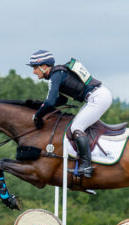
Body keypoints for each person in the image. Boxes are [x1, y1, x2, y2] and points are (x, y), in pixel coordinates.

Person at [28, 50, 113, 178]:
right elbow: (62, 100)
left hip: (97, 98)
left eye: (35, 68)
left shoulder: (55, 75)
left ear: (44, 67)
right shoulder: (59, 73)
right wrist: (43, 108)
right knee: (79, 126)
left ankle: (87, 166)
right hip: (98, 96)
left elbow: (50, 102)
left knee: (76, 128)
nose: (34, 71)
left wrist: (38, 115)